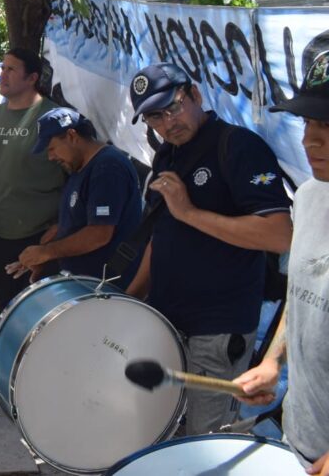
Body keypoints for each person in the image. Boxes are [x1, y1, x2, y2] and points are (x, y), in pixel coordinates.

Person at [124, 62, 293, 435]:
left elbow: (280, 235)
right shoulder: (167, 154)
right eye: (155, 117)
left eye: (174, 107)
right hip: (167, 321)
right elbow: (162, 234)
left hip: (217, 329)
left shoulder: (238, 146)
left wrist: (189, 212)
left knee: (208, 439)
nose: (168, 123)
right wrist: (130, 298)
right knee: (156, 429)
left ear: (195, 94)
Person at [234, 36, 329, 475]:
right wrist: (272, 362)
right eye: (310, 123)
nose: (312, 141)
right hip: (302, 441)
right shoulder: (309, 198)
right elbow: (301, 294)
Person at [0, 49, 67, 313]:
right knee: (7, 310)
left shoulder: (54, 117)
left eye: (11, 69)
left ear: (32, 77)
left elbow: (75, 174)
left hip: (39, 238)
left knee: (39, 316)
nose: (3, 74)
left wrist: (59, 227)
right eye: (2, 68)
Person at [6, 107, 143, 289]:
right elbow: (78, 221)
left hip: (109, 288)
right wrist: (43, 248)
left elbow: (99, 233)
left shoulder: (107, 168)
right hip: (85, 283)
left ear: (71, 136)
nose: (50, 156)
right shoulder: (80, 166)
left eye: (52, 148)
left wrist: (47, 252)